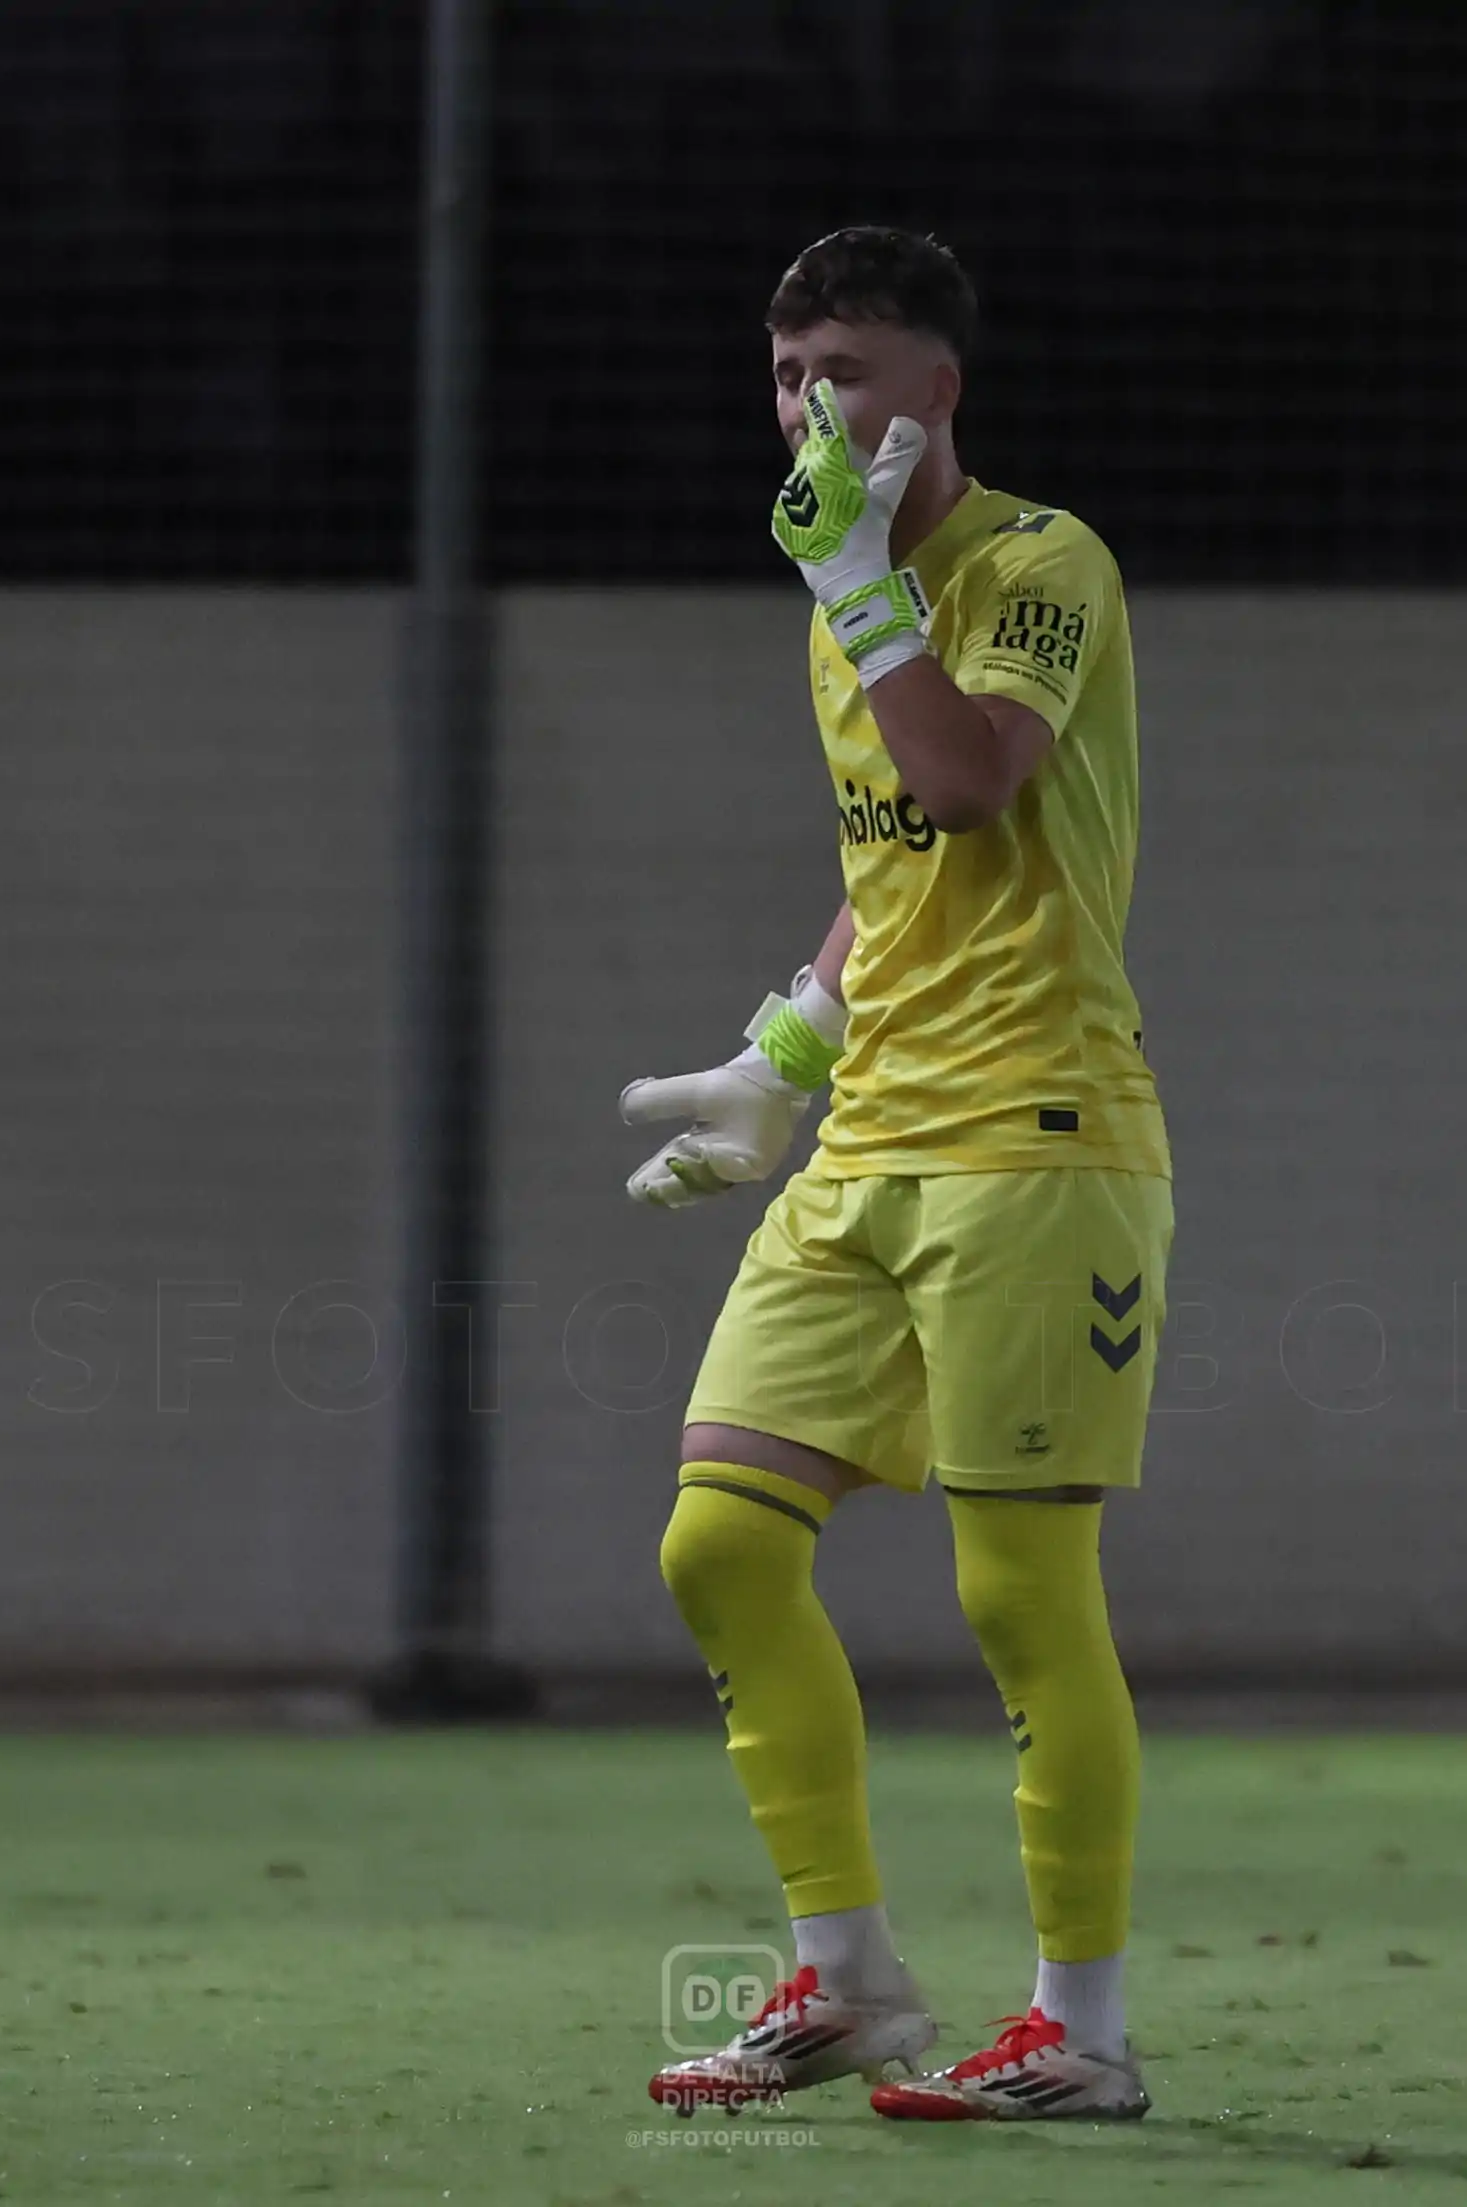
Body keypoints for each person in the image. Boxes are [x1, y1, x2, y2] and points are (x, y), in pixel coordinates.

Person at [621, 225, 1173, 2124]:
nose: (808, 409)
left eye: (844, 372)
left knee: (1022, 1595)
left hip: (1039, 1134)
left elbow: (967, 784)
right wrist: (778, 1059)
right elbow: (893, 876)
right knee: (719, 1543)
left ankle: (1079, 2033)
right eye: (785, 377)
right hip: (872, 1141)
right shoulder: (828, 589)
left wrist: (862, 583)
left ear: (935, 387)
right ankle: (849, 1984)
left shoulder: (1037, 562)